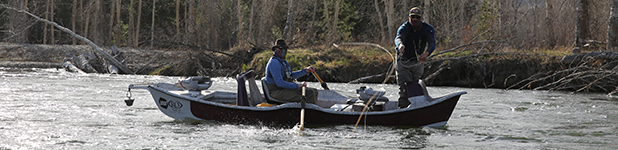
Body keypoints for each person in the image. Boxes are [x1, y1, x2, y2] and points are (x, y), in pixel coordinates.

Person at [394, 7, 436, 108]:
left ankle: (416, 109)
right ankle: (403, 109)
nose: (415, 19)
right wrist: (400, 45)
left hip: (418, 62)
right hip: (403, 62)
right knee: (404, 89)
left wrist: (426, 54)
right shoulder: (404, 28)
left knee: (415, 87)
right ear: (409, 17)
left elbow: (432, 43)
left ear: (421, 18)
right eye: (413, 17)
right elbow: (398, 38)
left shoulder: (427, 29)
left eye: (417, 17)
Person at [264, 39, 319, 104]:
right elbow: (279, 83)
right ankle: (311, 112)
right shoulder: (274, 63)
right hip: (276, 92)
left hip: (284, 89)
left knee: (314, 91)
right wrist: (297, 86)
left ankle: (314, 109)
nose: (284, 51)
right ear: (276, 49)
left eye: (285, 48)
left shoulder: (284, 62)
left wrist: (305, 71)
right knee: (310, 93)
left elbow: (290, 76)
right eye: (282, 48)